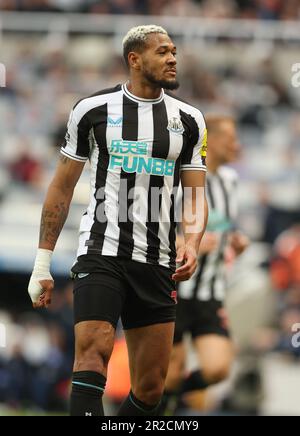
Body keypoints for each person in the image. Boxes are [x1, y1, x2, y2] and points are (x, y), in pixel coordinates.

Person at [27, 25, 208, 416]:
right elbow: (60, 188)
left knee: (150, 387)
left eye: (174, 51)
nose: (173, 58)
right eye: (163, 52)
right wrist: (42, 262)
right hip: (101, 250)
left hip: (159, 261)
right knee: (92, 356)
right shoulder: (92, 110)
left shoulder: (190, 120)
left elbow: (195, 194)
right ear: (135, 59)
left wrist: (191, 242)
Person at [161, 115, 249, 415]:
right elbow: (155, 227)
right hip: (176, 288)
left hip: (210, 292)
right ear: (211, 141)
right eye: (231, 138)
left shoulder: (230, 181)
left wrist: (234, 240)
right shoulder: (178, 177)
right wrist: (182, 243)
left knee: (218, 368)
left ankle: (168, 402)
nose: (237, 145)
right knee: (170, 371)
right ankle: (152, 410)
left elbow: (222, 225)